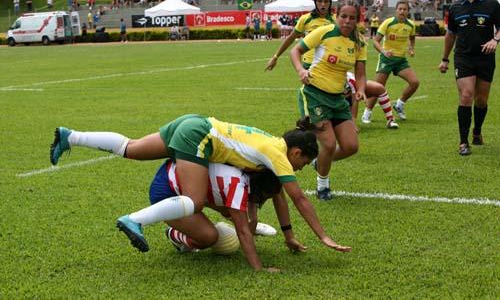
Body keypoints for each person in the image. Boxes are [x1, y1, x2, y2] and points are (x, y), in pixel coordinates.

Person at [49, 114, 352, 253]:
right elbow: (298, 199)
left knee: (131, 147)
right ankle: (134, 220)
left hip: (195, 122)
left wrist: (287, 235)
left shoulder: (272, 143)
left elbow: (279, 198)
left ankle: (71, 135)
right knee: (194, 199)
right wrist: (324, 237)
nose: (298, 169)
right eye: (302, 163)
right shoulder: (279, 155)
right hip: (199, 137)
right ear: (297, 152)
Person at [118, 162, 298, 272]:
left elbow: (245, 220)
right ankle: (175, 235)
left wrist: (252, 220)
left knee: (230, 213)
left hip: (176, 176)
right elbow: (243, 230)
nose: (263, 200)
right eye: (265, 196)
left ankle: (184, 227)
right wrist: (259, 267)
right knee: (209, 237)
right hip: (167, 190)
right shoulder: (238, 186)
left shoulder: (247, 174)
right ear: (259, 188)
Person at [289, 4, 367, 200]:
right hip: (315, 94)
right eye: (343, 16)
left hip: (338, 98)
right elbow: (295, 51)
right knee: (329, 144)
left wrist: (361, 89)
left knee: (351, 146)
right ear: (336, 15)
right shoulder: (324, 32)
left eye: (351, 17)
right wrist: (301, 70)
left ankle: (319, 162)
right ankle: (322, 184)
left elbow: (360, 73)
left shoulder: (359, 42)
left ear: (357, 19)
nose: (347, 21)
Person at [438, 0, 500, 156]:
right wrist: (445, 59)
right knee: (466, 96)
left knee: (481, 101)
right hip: (463, 58)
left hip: (485, 58)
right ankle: (463, 142)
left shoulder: (492, 4)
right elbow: (450, 35)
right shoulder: (455, 7)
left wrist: (495, 40)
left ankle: (477, 131)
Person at [364, 1, 419, 122]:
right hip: (386, 59)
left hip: (401, 61)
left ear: (408, 11)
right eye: (400, 9)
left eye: (405, 9)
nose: (402, 11)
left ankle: (400, 104)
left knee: (414, 82)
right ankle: (367, 112)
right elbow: (375, 41)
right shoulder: (388, 23)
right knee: (378, 87)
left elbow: (412, 37)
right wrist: (383, 51)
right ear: (396, 10)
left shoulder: (410, 25)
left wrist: (411, 48)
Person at [265, 0, 334, 72]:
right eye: (319, 1)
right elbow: (291, 38)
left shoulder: (336, 20)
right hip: (309, 65)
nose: (323, 4)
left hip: (329, 65)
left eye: (326, 1)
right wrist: (275, 57)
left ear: (330, 2)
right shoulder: (305, 19)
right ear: (315, 2)